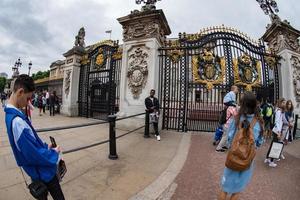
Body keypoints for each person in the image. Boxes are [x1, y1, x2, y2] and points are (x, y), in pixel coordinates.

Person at [4, 74, 65, 200]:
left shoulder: (10, 115)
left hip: (35, 170)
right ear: (20, 92)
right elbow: (33, 153)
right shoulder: (17, 121)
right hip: (42, 171)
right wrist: (53, 153)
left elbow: (30, 144)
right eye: (28, 98)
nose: (28, 103)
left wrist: (45, 146)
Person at [219, 92, 264, 200]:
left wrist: (233, 147)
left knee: (225, 188)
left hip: (234, 155)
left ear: (243, 104)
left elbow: (229, 137)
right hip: (247, 158)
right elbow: (259, 142)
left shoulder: (237, 118)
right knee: (237, 189)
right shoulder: (258, 121)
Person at [265, 98, 286, 167]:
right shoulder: (279, 111)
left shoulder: (280, 111)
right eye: (283, 103)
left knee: (273, 144)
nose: (284, 104)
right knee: (275, 146)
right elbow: (277, 122)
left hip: (276, 131)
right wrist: (279, 132)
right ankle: (271, 161)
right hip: (277, 131)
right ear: (280, 103)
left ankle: (268, 158)